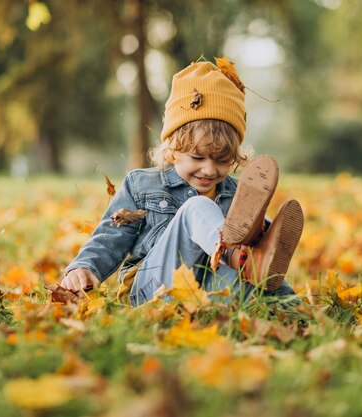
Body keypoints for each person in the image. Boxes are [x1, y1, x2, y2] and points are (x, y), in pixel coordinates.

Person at [60, 59, 304, 306]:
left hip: (206, 291)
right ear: (173, 148)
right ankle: (231, 253)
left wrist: (296, 306)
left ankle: (270, 291)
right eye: (197, 157)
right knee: (196, 208)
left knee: (251, 272)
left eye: (222, 160)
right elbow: (110, 237)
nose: (209, 169)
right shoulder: (141, 186)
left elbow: (266, 267)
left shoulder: (234, 194)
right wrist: (84, 267)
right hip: (153, 289)